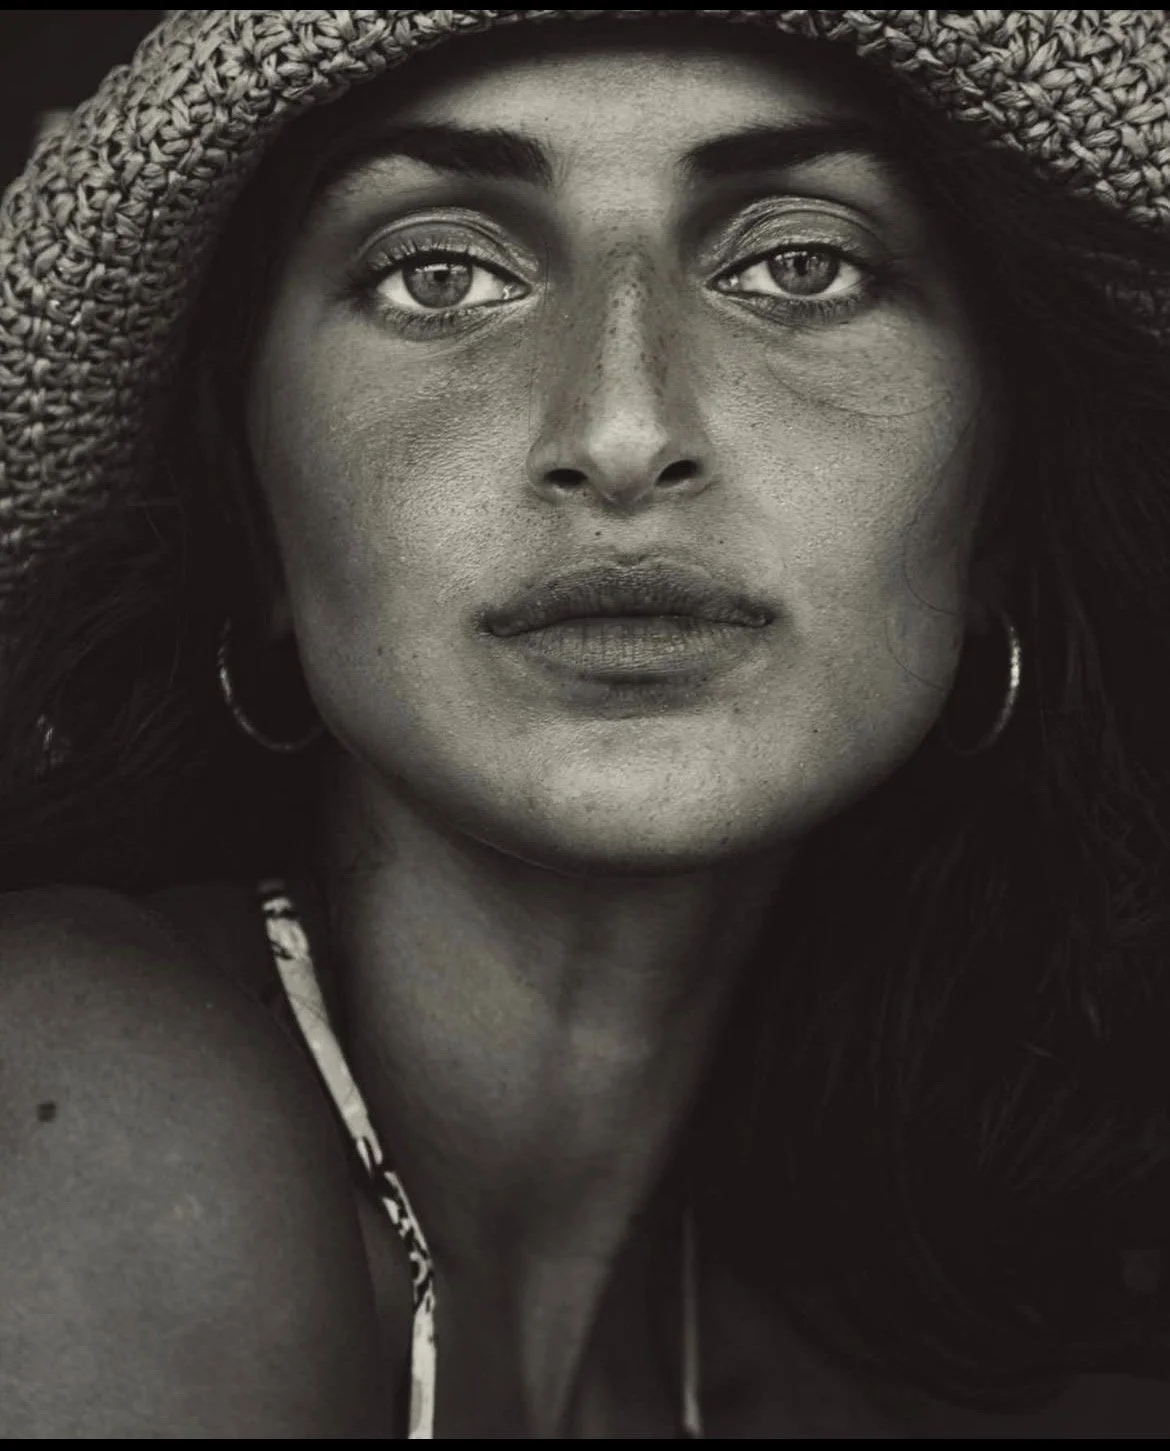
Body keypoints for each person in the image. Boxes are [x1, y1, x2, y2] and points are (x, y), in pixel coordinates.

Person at [0, 8, 1168, 1438]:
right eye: (438, 272)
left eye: (799, 266)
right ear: (251, 526)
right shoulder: (74, 1102)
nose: (620, 428)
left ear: (998, 520)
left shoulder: (842, 1339)